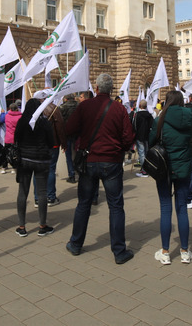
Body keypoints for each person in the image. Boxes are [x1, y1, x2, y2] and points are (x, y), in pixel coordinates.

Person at [64, 74, 136, 264]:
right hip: (111, 161)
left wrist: (84, 134)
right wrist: (119, 148)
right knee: (116, 206)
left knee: (84, 204)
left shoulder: (84, 106)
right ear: (111, 90)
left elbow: (69, 128)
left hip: (88, 160)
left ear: (96, 88)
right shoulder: (119, 108)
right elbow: (129, 138)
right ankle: (119, 252)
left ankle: (76, 244)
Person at [148, 92, 192, 265]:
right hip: (183, 167)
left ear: (166, 102)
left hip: (165, 169)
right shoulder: (189, 117)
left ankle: (165, 252)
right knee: (182, 209)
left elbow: (151, 140)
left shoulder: (160, 119)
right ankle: (184, 251)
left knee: (165, 208)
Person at [15, 99, 56, 237]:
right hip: (41, 160)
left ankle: (22, 226)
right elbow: (51, 142)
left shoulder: (22, 121)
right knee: (42, 192)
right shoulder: (44, 122)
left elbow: (16, 139)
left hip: (25, 160)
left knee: (23, 192)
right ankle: (42, 225)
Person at [134, 100, 154, 178]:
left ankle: (144, 171)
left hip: (140, 136)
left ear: (140, 106)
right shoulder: (149, 115)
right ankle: (147, 169)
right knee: (146, 153)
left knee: (142, 153)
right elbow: (152, 125)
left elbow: (134, 126)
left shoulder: (137, 115)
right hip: (147, 136)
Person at [1, 100, 22, 174]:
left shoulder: (6, 115)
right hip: (16, 138)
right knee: (16, 154)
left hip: (8, 138)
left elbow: (1, 120)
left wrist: (3, 113)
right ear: (17, 109)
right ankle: (14, 168)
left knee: (6, 153)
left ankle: (3, 167)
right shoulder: (20, 116)